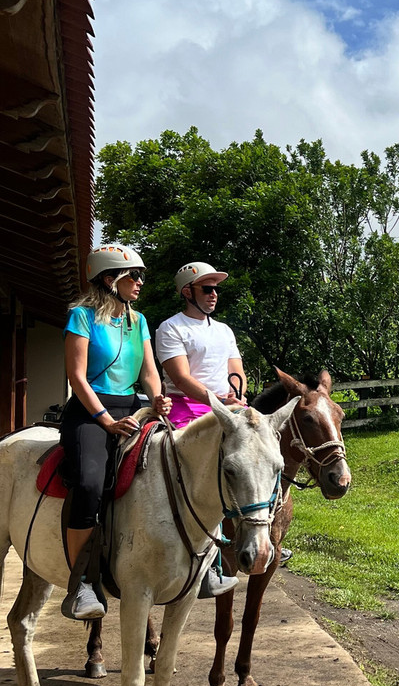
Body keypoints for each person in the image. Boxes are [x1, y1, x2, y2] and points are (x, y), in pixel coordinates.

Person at [154, 261, 291, 598]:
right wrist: (217, 400)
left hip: (229, 407)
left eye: (216, 289)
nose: (214, 294)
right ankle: (210, 562)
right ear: (188, 292)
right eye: (207, 289)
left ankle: (269, 536)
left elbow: (236, 370)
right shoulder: (171, 328)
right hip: (189, 407)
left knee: (265, 457)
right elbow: (182, 378)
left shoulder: (225, 330)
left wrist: (239, 395)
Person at [61, 245, 172, 620]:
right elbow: (76, 376)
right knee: (91, 482)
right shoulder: (81, 316)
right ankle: (82, 584)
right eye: (133, 276)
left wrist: (158, 397)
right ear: (110, 279)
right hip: (90, 413)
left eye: (141, 275)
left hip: (132, 408)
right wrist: (106, 420)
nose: (140, 282)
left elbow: (148, 370)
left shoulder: (139, 321)